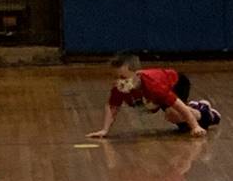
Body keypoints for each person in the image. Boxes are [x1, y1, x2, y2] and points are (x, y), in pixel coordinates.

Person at [89, 53, 221, 138]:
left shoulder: (154, 85)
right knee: (181, 125)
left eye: (123, 77)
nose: (119, 81)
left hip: (176, 82)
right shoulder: (119, 88)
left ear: (137, 73)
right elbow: (113, 107)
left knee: (173, 115)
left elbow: (177, 104)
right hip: (154, 98)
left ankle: (203, 110)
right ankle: (197, 114)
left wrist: (195, 126)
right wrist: (104, 130)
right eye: (115, 77)